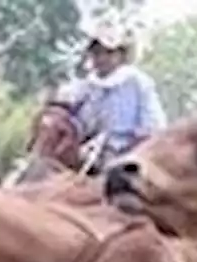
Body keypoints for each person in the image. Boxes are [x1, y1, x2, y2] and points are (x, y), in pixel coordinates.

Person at [62, 26, 168, 172]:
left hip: (129, 155)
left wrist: (133, 146)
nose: (101, 58)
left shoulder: (137, 82)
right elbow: (76, 122)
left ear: (121, 55)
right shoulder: (85, 88)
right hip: (90, 156)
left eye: (109, 53)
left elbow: (152, 125)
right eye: (97, 53)